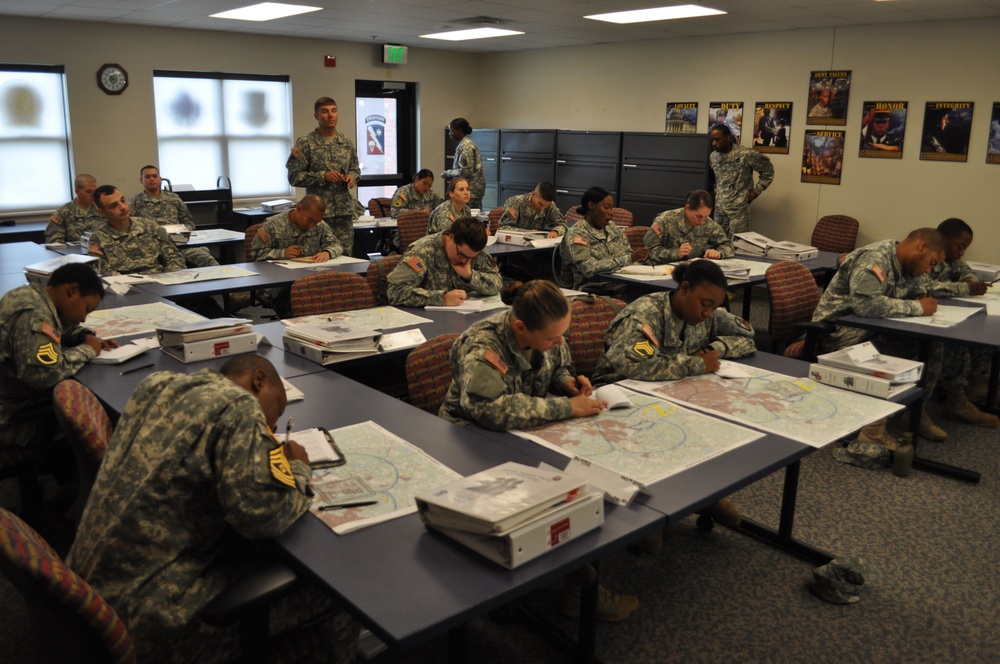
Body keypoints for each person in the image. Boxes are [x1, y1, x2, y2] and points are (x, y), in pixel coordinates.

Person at [67, 355, 358, 664]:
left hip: (88, 593)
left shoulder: (157, 384)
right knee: (338, 592)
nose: (270, 428)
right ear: (259, 381)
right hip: (149, 618)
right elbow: (263, 519)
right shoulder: (239, 406)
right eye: (276, 413)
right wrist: (299, 470)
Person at [439, 279, 638, 622]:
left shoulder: (548, 331)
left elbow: (557, 364)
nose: (560, 341)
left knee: (596, 462)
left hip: (524, 429)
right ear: (520, 327)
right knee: (551, 494)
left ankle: (625, 535)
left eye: (563, 334)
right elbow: (489, 410)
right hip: (471, 440)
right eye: (552, 338)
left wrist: (567, 383)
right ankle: (579, 583)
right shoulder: (483, 344)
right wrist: (566, 408)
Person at [591, 260, 754, 528]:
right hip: (620, 395)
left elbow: (747, 336)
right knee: (661, 433)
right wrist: (697, 363)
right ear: (685, 289)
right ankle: (644, 515)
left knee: (713, 425)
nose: (708, 313)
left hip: (669, 390)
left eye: (714, 307)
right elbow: (635, 365)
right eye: (705, 304)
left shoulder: (705, 311)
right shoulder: (645, 316)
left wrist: (716, 349)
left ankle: (700, 496)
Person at [811, 228, 996, 444]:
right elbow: (866, 305)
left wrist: (919, 294)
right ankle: (875, 426)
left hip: (872, 325)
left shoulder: (907, 265)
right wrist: (917, 307)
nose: (929, 269)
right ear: (921, 247)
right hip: (838, 330)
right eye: (931, 262)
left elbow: (919, 286)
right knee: (898, 348)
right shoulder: (875, 259)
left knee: (937, 341)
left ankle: (917, 412)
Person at [0, 263, 116, 451]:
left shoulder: (28, 296)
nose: (84, 318)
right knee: (107, 418)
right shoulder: (34, 315)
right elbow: (44, 376)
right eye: (87, 309)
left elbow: (53, 330)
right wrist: (88, 349)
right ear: (72, 290)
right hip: (13, 421)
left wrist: (82, 335)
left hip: (12, 402)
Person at [925, 218, 995, 416]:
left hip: (932, 312)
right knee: (955, 341)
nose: (962, 252)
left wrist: (971, 281)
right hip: (914, 317)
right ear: (943, 239)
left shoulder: (950, 260)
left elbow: (964, 270)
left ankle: (977, 385)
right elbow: (924, 285)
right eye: (960, 246)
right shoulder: (925, 256)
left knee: (980, 329)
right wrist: (966, 287)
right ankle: (955, 398)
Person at [287, 97, 363, 256]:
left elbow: (356, 169)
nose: (330, 115)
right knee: (319, 258)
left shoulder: (345, 142)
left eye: (334, 111)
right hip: (317, 216)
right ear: (316, 116)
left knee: (345, 258)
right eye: (325, 111)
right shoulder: (306, 143)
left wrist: (352, 177)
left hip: (343, 214)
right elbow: (294, 177)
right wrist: (323, 177)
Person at [251, 195, 342, 317]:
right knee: (289, 295)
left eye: (316, 222)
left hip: (311, 276)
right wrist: (282, 253)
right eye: (309, 220)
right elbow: (256, 253)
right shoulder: (273, 225)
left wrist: (328, 252)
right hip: (279, 280)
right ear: (299, 208)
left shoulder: (319, 225)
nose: (312, 225)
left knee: (337, 288)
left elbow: (336, 244)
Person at [387, 217, 502, 307]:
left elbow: (497, 282)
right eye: (461, 254)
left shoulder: (473, 249)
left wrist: (470, 276)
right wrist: (442, 298)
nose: (464, 261)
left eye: (470, 258)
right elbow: (395, 292)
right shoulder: (422, 251)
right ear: (451, 237)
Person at [129, 165, 219, 268]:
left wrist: (180, 233)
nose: (152, 179)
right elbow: (132, 228)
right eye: (148, 177)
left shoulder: (173, 198)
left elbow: (189, 223)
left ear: (160, 179)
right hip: (151, 248)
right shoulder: (134, 201)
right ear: (141, 180)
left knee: (207, 259)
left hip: (179, 244)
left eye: (155, 176)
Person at [88, 184, 187, 275]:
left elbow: (173, 257)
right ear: (102, 212)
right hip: (126, 287)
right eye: (114, 206)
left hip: (159, 281)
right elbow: (105, 272)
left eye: (122, 200)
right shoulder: (98, 238)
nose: (122, 207)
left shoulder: (150, 226)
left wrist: (172, 278)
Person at [559, 186, 632, 296]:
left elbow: (628, 252)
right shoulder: (578, 234)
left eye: (612, 208)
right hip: (594, 289)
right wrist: (627, 260)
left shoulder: (611, 227)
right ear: (591, 205)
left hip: (623, 282)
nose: (611, 212)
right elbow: (588, 269)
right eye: (606, 207)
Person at [708, 124, 774, 238]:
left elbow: (768, 172)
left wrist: (757, 191)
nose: (714, 143)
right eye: (712, 140)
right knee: (718, 243)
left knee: (737, 245)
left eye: (717, 139)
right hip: (720, 209)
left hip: (738, 210)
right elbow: (716, 179)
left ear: (727, 137)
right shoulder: (713, 156)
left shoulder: (746, 154)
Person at [643, 190, 733, 265]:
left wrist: (719, 253)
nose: (702, 221)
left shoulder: (708, 223)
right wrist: (675, 253)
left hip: (691, 272)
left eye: (706, 217)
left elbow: (727, 245)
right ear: (688, 208)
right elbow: (647, 251)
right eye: (698, 216)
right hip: (660, 270)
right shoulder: (665, 220)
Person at [44, 173, 104, 244]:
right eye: (88, 192)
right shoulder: (63, 212)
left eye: (95, 192)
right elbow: (54, 242)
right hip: (73, 253)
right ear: (77, 191)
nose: (93, 195)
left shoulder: (102, 210)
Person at [441, 118, 485, 210]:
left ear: (460, 130)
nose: (450, 134)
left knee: (468, 219)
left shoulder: (466, 146)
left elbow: (466, 171)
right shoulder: (465, 144)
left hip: (470, 191)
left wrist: (448, 173)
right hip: (470, 190)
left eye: (452, 131)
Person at [497, 181, 567, 238]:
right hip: (515, 246)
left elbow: (561, 224)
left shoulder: (550, 205)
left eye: (546, 206)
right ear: (533, 194)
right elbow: (503, 228)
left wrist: (556, 231)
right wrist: (528, 233)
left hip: (537, 247)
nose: (542, 208)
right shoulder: (516, 203)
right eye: (540, 204)